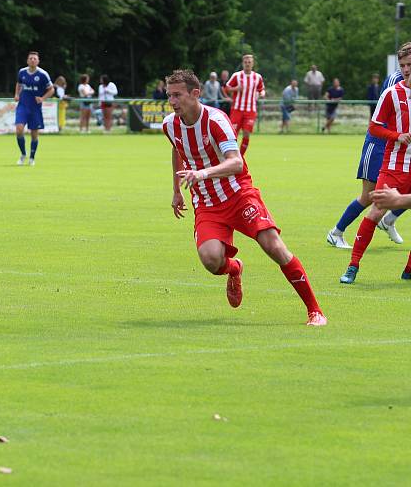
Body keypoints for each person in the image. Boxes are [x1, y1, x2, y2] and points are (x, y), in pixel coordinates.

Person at [162, 69, 326, 326]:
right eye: (169, 95)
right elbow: (177, 150)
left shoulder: (216, 120)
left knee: (274, 247)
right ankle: (234, 268)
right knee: (210, 260)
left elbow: (236, 163)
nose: (172, 101)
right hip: (206, 203)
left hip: (239, 194)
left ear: (195, 94)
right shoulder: (169, 125)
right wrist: (175, 190)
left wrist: (202, 173)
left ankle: (315, 311)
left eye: (177, 95)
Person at [339, 42, 411, 284]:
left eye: (410, 64)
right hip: (393, 164)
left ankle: (409, 269)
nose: (406, 69)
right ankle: (352, 266)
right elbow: (374, 126)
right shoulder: (392, 93)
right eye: (402, 65)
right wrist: (397, 136)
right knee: (376, 210)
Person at [326, 67, 406, 249]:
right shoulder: (397, 80)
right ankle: (336, 232)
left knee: (405, 189)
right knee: (369, 196)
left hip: (396, 146)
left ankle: (389, 220)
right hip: (378, 144)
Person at [14, 51, 54, 166]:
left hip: (35, 108)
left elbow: (51, 89)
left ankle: (32, 157)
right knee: (19, 129)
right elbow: (19, 83)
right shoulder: (22, 72)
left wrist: (42, 98)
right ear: (27, 60)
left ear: (38, 61)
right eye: (30, 58)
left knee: (34, 134)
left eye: (34, 59)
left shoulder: (43, 74)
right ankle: (23, 154)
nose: (32, 60)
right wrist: (17, 94)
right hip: (22, 106)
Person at [224, 55, 265, 156]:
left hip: (250, 110)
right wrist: (236, 89)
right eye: (246, 62)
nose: (247, 64)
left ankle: (240, 157)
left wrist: (262, 94)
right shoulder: (237, 75)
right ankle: (229, 156)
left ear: (252, 64)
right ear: (243, 63)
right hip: (237, 109)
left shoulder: (257, 77)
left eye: (249, 62)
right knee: (232, 134)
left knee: (246, 133)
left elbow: (261, 89)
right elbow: (227, 88)